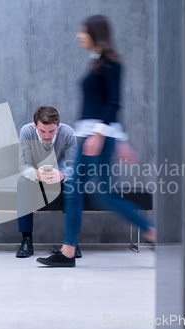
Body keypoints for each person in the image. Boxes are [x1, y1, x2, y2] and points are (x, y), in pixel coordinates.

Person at [37, 15, 156, 267]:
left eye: (83, 31)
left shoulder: (112, 63)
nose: (79, 35)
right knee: (80, 191)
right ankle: (68, 250)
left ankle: (151, 231)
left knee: (101, 195)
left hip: (96, 139)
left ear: (95, 33)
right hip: (94, 136)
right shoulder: (98, 62)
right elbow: (106, 105)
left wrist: (100, 135)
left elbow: (114, 102)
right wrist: (118, 138)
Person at [16, 106, 82, 258]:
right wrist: (36, 174)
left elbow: (75, 167)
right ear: (35, 126)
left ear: (58, 126)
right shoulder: (26, 131)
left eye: (51, 131)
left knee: (75, 185)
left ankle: (71, 242)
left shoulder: (67, 132)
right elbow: (23, 165)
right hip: (36, 177)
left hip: (61, 178)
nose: (47, 136)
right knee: (22, 183)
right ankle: (26, 240)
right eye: (42, 131)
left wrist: (61, 175)